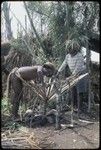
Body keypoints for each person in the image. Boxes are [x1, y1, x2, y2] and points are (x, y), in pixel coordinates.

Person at [56, 40, 88, 110]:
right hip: (74, 74)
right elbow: (64, 64)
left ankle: (79, 109)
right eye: (68, 49)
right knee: (73, 90)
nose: (69, 50)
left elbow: (77, 69)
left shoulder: (79, 56)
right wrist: (58, 71)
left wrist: (70, 77)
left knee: (80, 91)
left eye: (70, 49)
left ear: (74, 49)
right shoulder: (68, 56)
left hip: (81, 74)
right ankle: (74, 107)